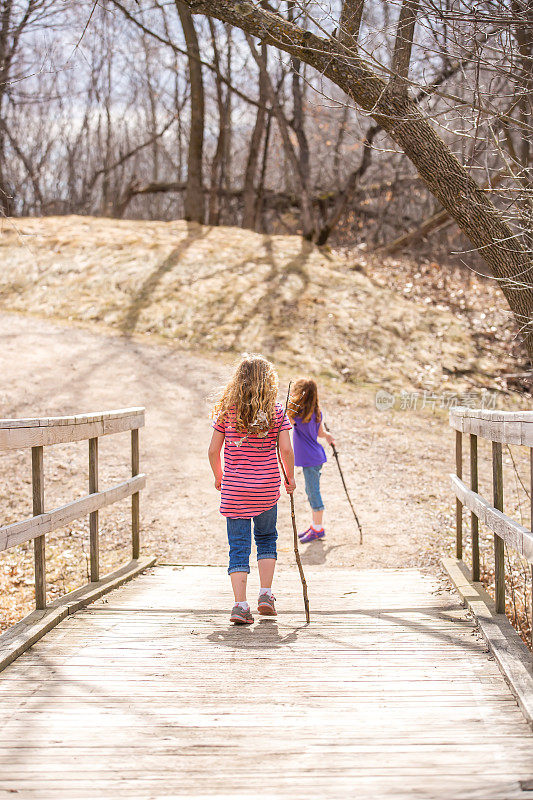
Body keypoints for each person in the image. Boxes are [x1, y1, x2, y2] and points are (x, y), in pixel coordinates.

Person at [208, 354, 295, 625]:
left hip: (234, 490)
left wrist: (219, 477)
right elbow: (287, 450)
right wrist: (289, 479)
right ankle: (266, 596)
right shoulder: (276, 413)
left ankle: (240, 606)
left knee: (238, 546)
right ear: (268, 382)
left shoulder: (227, 412)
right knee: (267, 538)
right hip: (267, 489)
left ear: (238, 382)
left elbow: (212, 451)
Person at [288, 378, 335, 543]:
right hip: (315, 457)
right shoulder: (315, 413)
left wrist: (291, 399)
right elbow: (320, 433)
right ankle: (315, 525)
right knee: (311, 491)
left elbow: (285, 416)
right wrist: (328, 436)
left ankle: (318, 528)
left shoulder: (296, 414)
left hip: (310, 460)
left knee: (313, 494)